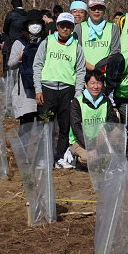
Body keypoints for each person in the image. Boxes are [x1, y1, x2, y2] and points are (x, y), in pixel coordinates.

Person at [33, 12, 86, 168]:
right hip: (47, 90)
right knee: (45, 125)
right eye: (62, 25)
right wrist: (38, 89)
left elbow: (81, 70)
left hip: (67, 91)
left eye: (68, 26)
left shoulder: (76, 46)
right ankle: (43, 157)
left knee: (65, 126)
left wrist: (77, 95)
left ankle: (59, 157)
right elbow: (37, 65)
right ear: (57, 26)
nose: (65, 29)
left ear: (72, 28)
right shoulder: (47, 42)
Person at [68, 70, 120, 168]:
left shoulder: (106, 100)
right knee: (89, 159)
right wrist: (91, 147)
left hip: (100, 139)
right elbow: (76, 128)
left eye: (99, 83)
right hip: (81, 141)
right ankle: (75, 157)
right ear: (85, 85)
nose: (95, 87)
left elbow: (113, 119)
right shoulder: (77, 102)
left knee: (117, 131)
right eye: (92, 83)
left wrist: (104, 130)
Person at [7, 10, 46, 125]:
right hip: (25, 91)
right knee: (26, 126)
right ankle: (24, 144)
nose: (35, 26)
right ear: (26, 25)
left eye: (37, 23)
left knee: (43, 125)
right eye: (31, 23)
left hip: (43, 89)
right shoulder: (19, 43)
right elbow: (10, 64)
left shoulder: (47, 42)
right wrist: (19, 57)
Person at [73, 0, 120, 70]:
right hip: (84, 73)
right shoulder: (79, 28)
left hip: (105, 74)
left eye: (100, 8)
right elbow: (75, 53)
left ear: (104, 10)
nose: (96, 11)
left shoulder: (113, 28)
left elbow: (115, 53)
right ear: (88, 10)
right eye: (93, 8)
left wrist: (102, 69)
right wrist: (92, 68)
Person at [1, 0, 26, 75]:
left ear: (12, 6)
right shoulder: (26, 14)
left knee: (10, 62)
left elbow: (5, 29)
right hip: (24, 41)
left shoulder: (11, 14)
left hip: (12, 41)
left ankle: (9, 82)